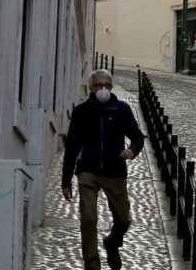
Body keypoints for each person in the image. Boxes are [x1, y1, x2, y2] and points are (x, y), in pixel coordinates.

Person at [61, 69, 144, 270]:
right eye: (99, 85)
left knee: (123, 220)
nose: (104, 89)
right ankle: (92, 262)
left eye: (107, 85)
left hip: (115, 171)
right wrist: (66, 181)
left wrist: (132, 150)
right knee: (88, 217)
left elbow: (138, 136)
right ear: (91, 88)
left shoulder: (121, 109)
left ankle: (112, 242)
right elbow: (71, 147)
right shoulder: (82, 112)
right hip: (87, 170)